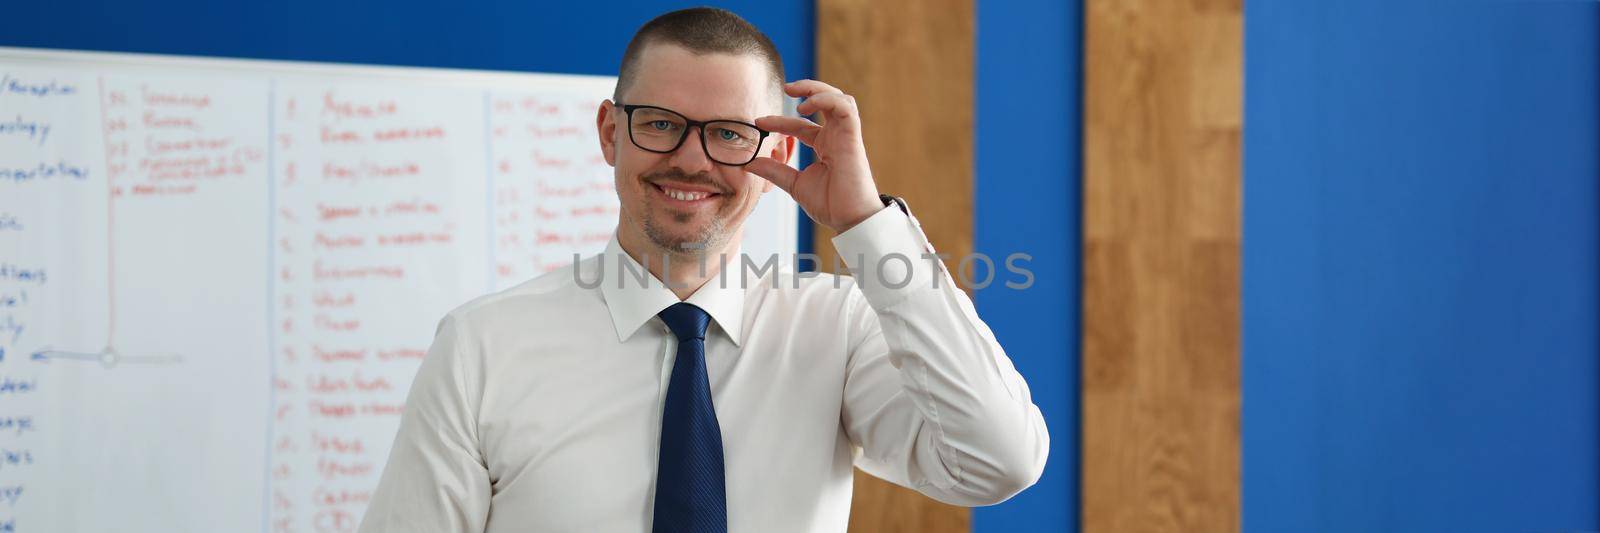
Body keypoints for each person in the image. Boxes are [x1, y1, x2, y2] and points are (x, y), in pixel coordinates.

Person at [358, 7, 1047, 532]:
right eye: (660, 123)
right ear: (610, 133)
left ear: (774, 147)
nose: (692, 160)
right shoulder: (482, 346)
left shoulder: (837, 330)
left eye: (727, 132)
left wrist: (866, 222)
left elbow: (999, 460)